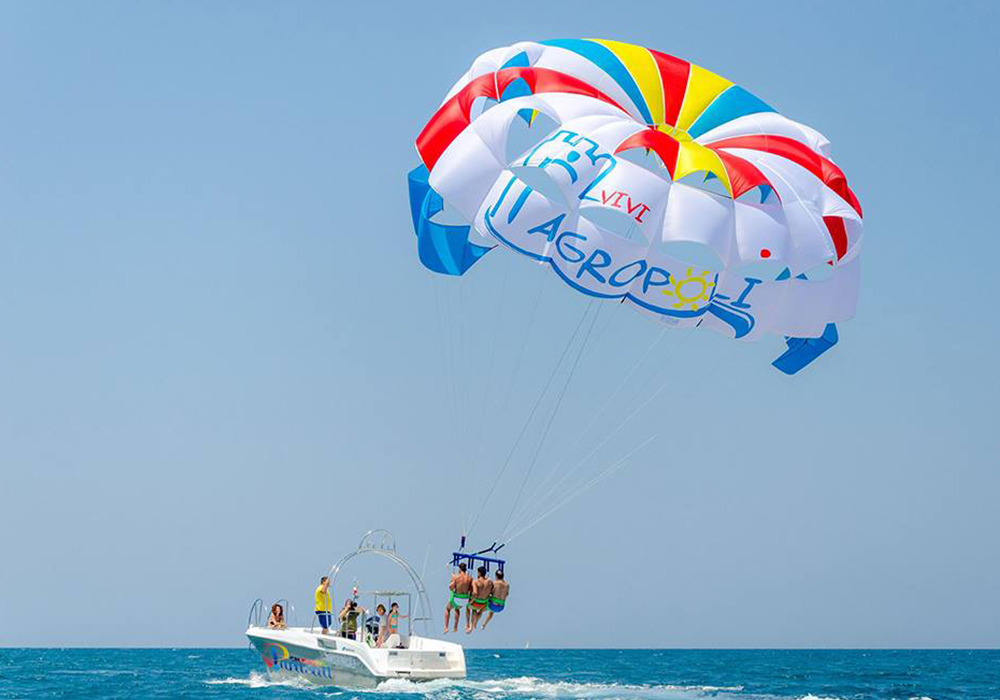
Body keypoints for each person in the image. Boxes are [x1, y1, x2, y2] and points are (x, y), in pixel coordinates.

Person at [444, 562, 473, 634]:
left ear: (459, 569)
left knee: (448, 609)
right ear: (466, 569)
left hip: (456, 599)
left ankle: (446, 627)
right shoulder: (470, 578)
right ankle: (460, 626)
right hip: (465, 600)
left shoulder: (456, 577)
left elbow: (451, 587)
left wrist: (452, 580)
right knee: (458, 609)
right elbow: (471, 589)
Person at [466, 566, 493, 633]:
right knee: (480, 611)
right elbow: (491, 592)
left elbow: (475, 593)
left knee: (471, 608)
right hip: (484, 604)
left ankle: (471, 626)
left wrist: (471, 601)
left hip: (476, 603)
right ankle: (475, 623)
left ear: (479, 573)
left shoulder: (475, 581)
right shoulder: (490, 582)